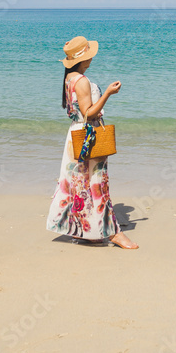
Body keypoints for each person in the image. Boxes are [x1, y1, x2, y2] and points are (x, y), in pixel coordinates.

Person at [46, 36, 138, 249]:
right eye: (89, 55)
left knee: (80, 183)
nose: (92, 58)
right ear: (82, 59)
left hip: (75, 134)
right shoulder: (82, 81)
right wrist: (107, 93)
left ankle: (83, 230)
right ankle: (113, 233)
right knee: (98, 183)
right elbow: (88, 113)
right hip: (89, 135)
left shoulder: (69, 78)